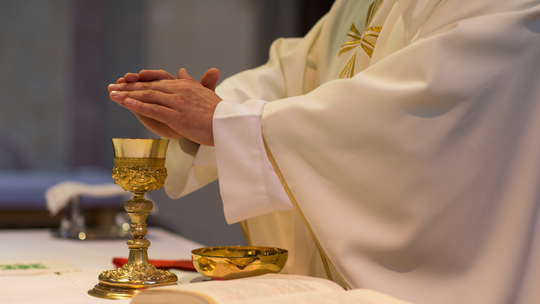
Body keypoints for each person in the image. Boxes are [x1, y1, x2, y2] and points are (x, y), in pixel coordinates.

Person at [108, 0, 540, 303]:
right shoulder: (360, 5)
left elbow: (421, 111)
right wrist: (204, 116)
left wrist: (225, 121)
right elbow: (290, 73)